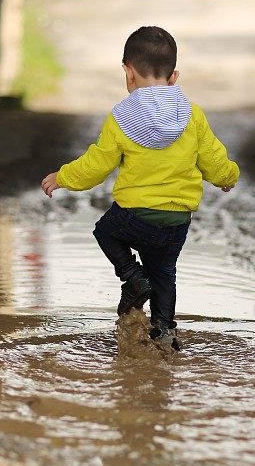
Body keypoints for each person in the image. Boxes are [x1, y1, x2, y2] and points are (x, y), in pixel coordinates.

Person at [41, 26, 239, 350]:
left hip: (135, 216)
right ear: (174, 77)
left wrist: (63, 177)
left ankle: (132, 277)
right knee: (165, 273)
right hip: (177, 220)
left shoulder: (122, 117)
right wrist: (228, 177)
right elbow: (215, 161)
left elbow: (96, 165)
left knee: (105, 231)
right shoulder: (192, 115)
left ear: (128, 73)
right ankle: (165, 333)